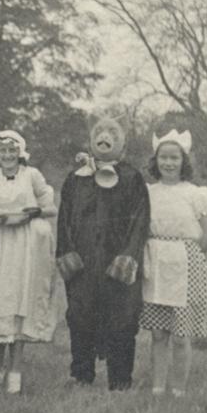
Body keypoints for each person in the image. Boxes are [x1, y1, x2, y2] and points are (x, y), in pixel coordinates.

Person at [56, 118, 150, 391]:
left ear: (121, 144)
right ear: (91, 141)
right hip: (83, 265)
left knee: (122, 320)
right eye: (99, 133)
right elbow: (63, 220)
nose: (104, 137)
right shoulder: (75, 179)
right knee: (79, 315)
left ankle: (120, 380)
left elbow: (140, 221)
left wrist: (128, 257)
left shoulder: (132, 178)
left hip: (117, 263)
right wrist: (67, 254)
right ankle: (81, 375)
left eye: (112, 134)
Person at [139, 128, 207, 397]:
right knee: (159, 334)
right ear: (156, 160)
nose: (168, 163)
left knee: (180, 335)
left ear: (184, 161)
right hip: (157, 266)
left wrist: (191, 257)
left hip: (186, 269)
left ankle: (178, 390)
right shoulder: (148, 192)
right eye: (163, 157)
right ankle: (156, 387)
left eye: (174, 158)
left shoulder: (195, 194)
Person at [0, 130, 65, 394]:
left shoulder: (33, 176)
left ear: (20, 153)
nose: (7, 155)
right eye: (3, 151)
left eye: (12, 150)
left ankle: (15, 372)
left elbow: (50, 207)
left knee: (20, 304)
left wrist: (33, 213)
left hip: (27, 246)